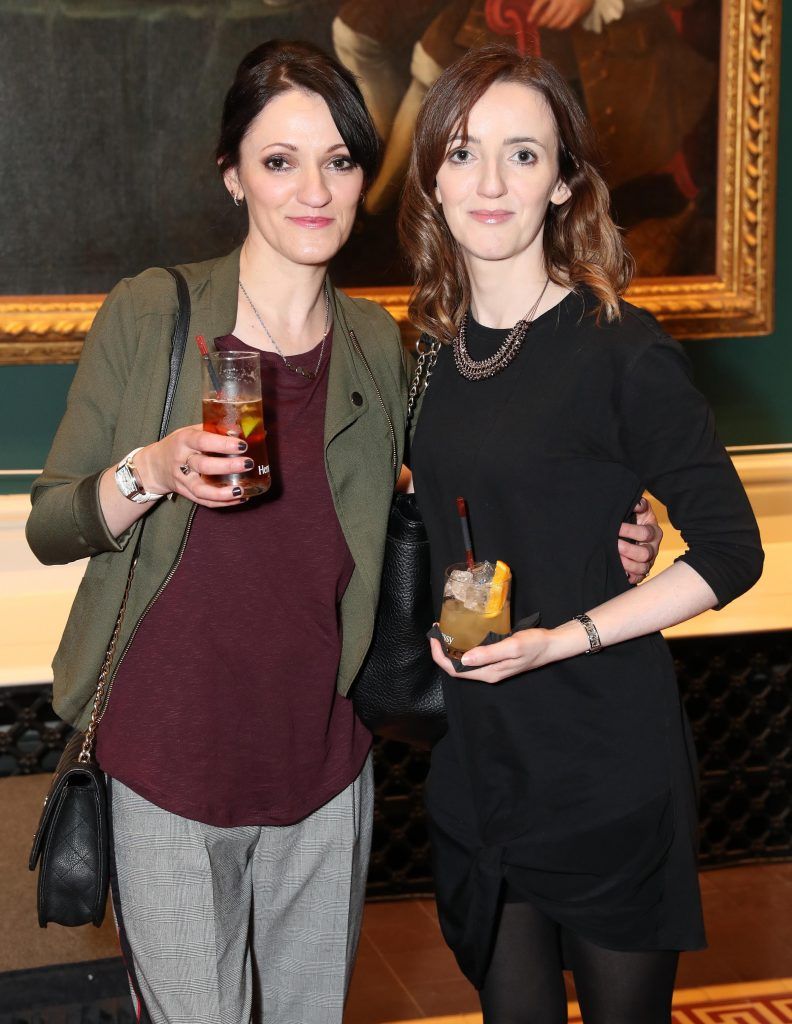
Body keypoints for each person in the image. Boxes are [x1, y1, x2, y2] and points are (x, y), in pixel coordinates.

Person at [26, 38, 660, 1024]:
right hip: (168, 756)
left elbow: (476, 487)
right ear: (232, 175)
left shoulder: (381, 339)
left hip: (325, 763)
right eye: (279, 161)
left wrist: (623, 525)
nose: (312, 189)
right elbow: (52, 526)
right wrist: (148, 469)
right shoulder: (153, 313)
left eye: (339, 160)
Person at [400, 44, 763, 1024]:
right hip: (484, 761)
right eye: (466, 151)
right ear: (433, 168)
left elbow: (734, 552)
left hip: (605, 757)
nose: (489, 181)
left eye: (524, 155)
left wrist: (570, 630)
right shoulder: (425, 351)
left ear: (562, 183)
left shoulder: (621, 347)